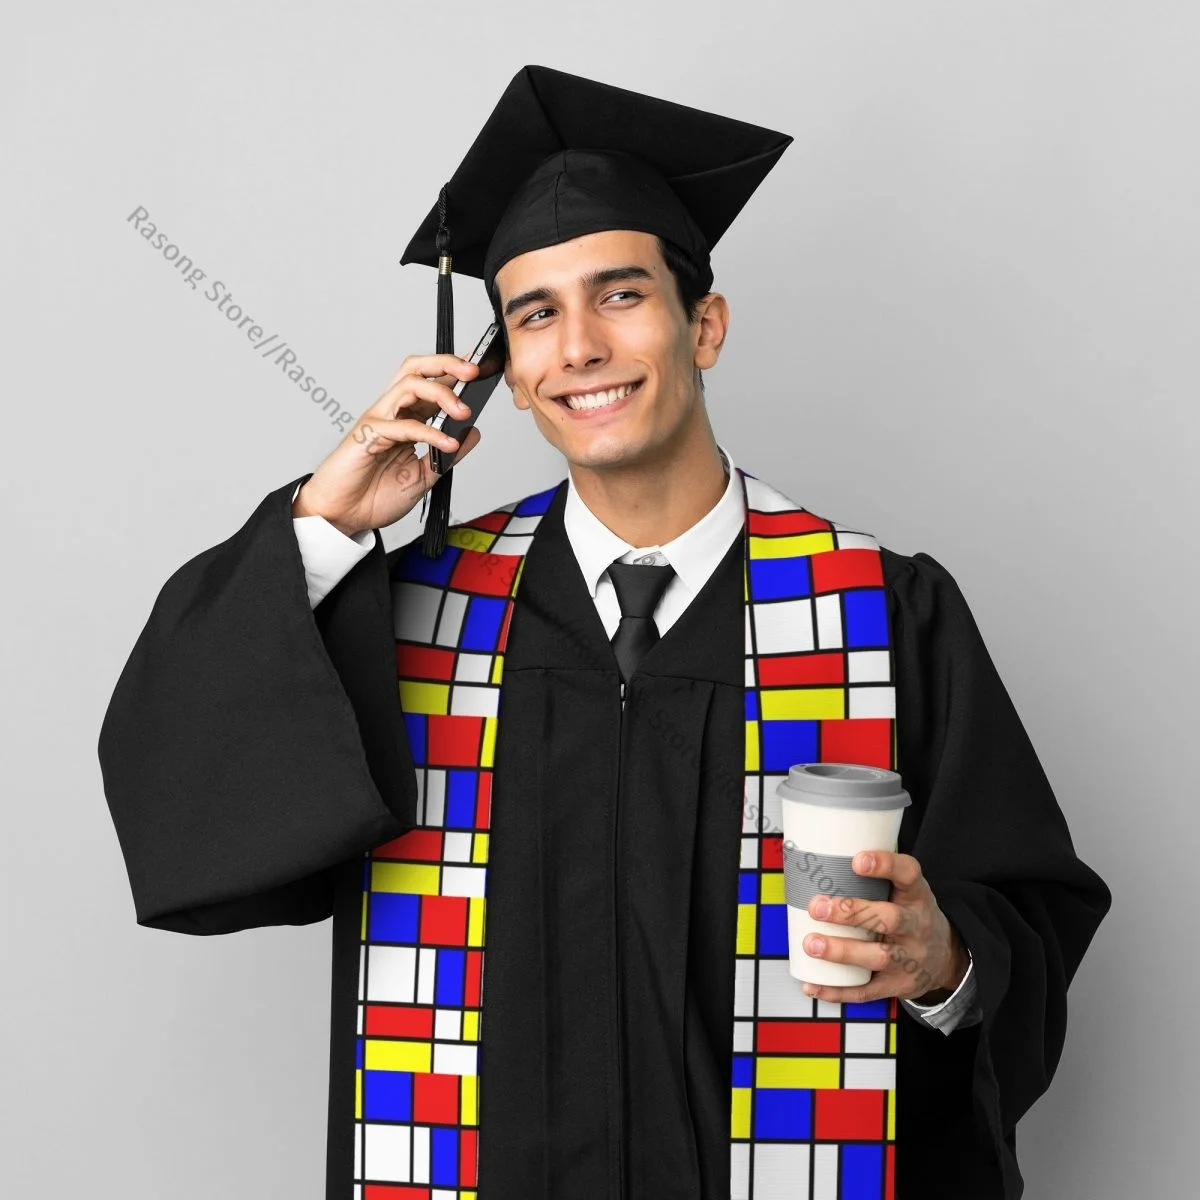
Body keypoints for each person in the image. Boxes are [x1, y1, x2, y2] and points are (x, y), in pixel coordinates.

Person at [98, 66, 1111, 1200]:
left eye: (621, 295)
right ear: (510, 379)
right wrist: (326, 523)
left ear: (705, 325)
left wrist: (945, 962)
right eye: (535, 314)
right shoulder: (420, 616)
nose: (578, 345)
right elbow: (186, 791)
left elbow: (1023, 917)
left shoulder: (882, 610)